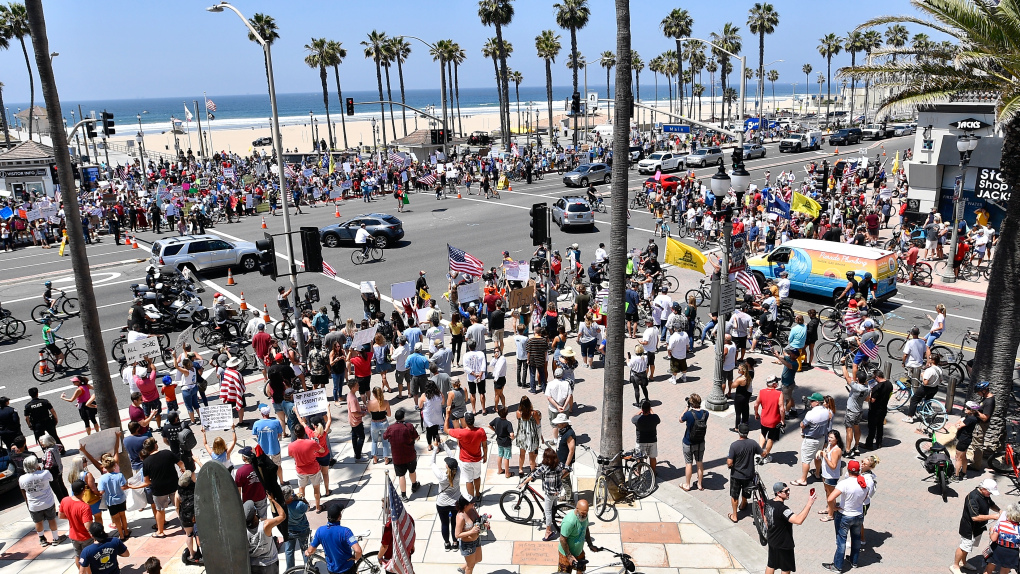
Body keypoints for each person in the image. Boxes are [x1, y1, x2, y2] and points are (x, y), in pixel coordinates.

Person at [822, 460, 873, 572]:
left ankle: (837, 566)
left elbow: (830, 498)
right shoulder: (863, 482)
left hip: (845, 515)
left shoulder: (844, 483)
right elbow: (865, 498)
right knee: (856, 539)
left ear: (848, 470)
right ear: (858, 470)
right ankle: (854, 561)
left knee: (841, 541)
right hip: (858, 515)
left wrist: (834, 507)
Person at [765, 482, 817, 574]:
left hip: (772, 540)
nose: (788, 492)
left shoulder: (768, 503)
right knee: (785, 568)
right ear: (778, 493)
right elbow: (798, 520)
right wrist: (809, 503)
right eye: (786, 491)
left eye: (789, 490)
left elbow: (765, 520)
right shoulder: (783, 509)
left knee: (771, 564)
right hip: (783, 544)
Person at [953, 478, 1000, 574]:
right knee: (964, 547)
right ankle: (955, 565)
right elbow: (975, 517)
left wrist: (1000, 511)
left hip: (979, 527)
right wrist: (993, 516)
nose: (990, 494)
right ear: (983, 488)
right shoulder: (973, 497)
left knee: (968, 547)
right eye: (989, 492)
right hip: (969, 528)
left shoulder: (985, 495)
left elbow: (991, 504)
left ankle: (964, 562)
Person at [521, 447, 569, 541]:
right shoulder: (559, 464)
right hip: (557, 491)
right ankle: (554, 520)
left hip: (549, 493)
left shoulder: (544, 467)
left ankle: (548, 532)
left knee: (548, 513)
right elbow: (569, 468)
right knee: (553, 508)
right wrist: (561, 477)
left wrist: (523, 483)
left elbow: (533, 475)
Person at [19, 456, 65, 547]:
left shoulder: (22, 478)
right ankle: (55, 538)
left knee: (38, 522)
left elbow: (23, 491)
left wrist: (28, 503)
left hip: (33, 505)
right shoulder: (45, 473)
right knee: (51, 520)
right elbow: (51, 479)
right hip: (48, 502)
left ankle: (42, 539)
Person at [726, 423, 763, 523]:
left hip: (736, 475)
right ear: (747, 433)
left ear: (739, 432)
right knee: (746, 491)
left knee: (734, 495)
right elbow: (762, 453)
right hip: (749, 474)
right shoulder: (753, 443)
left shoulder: (734, 445)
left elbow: (729, 462)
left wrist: (729, 465)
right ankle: (743, 503)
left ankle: (734, 515)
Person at [792, 393, 830, 487]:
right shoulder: (826, 411)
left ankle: (803, 479)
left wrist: (802, 425)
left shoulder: (811, 413)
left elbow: (803, 424)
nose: (810, 402)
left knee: (806, 459)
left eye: (812, 401)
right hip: (821, 438)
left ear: (817, 402)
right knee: (817, 457)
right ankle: (817, 474)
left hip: (810, 440)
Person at [449, 413, 488, 502]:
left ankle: (471, 499)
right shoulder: (481, 431)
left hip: (465, 461)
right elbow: (484, 445)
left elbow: (446, 429)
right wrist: (485, 455)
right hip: (477, 459)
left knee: (468, 480)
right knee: (477, 477)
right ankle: (478, 494)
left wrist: (447, 415)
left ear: (465, 421)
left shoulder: (460, 432)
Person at [384, 408, 421, 501]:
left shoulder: (391, 428)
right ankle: (414, 485)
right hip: (410, 455)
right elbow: (417, 437)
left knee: (401, 476)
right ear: (403, 417)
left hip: (397, 457)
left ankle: (404, 495)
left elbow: (384, 436)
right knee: (412, 471)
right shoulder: (409, 426)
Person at [432, 441, 463, 551]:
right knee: (454, 523)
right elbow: (452, 457)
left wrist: (436, 449)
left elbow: (432, 463)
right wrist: (444, 445)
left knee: (444, 523)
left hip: (442, 504)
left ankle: (446, 543)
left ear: (447, 467)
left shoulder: (441, 476)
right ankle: (455, 543)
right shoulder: (458, 472)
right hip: (455, 503)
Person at [288, 425, 325, 512]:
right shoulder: (311, 443)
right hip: (313, 469)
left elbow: (290, 455)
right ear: (304, 433)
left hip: (300, 470)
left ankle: (303, 508)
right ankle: (318, 507)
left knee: (301, 489)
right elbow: (322, 450)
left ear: (295, 433)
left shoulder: (291, 445)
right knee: (316, 488)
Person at [246, 497, 286, 574]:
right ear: (255, 513)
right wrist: (273, 501)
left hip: (253, 564)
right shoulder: (266, 525)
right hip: (269, 563)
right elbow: (282, 516)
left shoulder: (243, 530)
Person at [558, 499, 599, 573]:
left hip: (579, 551)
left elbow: (586, 529)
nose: (584, 515)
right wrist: (569, 556)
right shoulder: (569, 522)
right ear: (577, 509)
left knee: (581, 571)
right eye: (582, 513)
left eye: (586, 513)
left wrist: (590, 545)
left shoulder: (584, 516)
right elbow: (562, 539)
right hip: (566, 554)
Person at [60, 479, 95, 557]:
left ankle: (80, 569)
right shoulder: (85, 507)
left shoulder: (65, 500)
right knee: (88, 558)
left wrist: (72, 518)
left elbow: (61, 516)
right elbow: (87, 526)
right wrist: (95, 536)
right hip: (85, 537)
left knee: (78, 556)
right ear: (84, 490)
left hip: (73, 535)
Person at [24, 387, 63, 452]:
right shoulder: (44, 401)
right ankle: (61, 450)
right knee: (54, 436)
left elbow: (26, 417)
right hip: (48, 421)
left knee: (41, 439)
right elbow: (53, 411)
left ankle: (46, 452)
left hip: (37, 424)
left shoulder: (28, 406)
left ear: (30, 395)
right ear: (37, 394)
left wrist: (29, 425)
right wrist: (55, 419)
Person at [282, 485, 311, 570]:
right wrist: (302, 498)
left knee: (289, 551)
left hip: (289, 531)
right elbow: (308, 507)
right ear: (290, 496)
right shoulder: (300, 504)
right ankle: (308, 569)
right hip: (302, 530)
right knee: (305, 549)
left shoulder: (281, 506)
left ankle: (290, 570)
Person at [986, 503, 1020, 574]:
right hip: (1012, 553)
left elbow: (993, 539)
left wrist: (991, 531)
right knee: (1004, 572)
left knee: (989, 569)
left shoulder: (1001, 524)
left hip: (997, 549)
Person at [819, 430, 845, 522]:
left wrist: (825, 457)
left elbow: (833, 466)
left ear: (837, 439)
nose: (829, 439)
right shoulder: (830, 445)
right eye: (829, 437)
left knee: (831, 496)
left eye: (831, 438)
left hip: (831, 476)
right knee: (827, 492)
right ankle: (829, 509)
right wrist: (821, 453)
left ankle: (831, 515)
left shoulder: (836, 450)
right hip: (825, 474)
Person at [864, 368, 892, 450]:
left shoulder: (877, 387)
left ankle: (869, 444)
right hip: (883, 409)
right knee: (880, 426)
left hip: (875, 410)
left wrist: (869, 394)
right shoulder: (889, 384)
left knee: (872, 428)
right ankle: (879, 443)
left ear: (877, 377)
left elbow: (872, 400)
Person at [970, 380, 995, 469]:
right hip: (979, 424)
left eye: (979, 392)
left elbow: (985, 417)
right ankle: (976, 461)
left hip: (981, 425)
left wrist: (975, 412)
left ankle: (976, 465)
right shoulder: (986, 399)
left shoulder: (989, 402)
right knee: (976, 443)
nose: (978, 394)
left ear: (984, 391)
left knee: (977, 445)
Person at [455, 496, 484, 574]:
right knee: (470, 566)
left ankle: (462, 568)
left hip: (476, 539)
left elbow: (478, 518)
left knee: (478, 559)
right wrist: (471, 532)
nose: (473, 503)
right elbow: (457, 535)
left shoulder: (472, 509)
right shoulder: (460, 517)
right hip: (468, 545)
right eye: (471, 503)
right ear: (465, 505)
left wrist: (484, 523)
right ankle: (466, 568)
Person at [516, 395, 543, 474]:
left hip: (522, 435)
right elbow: (538, 424)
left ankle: (520, 469)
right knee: (531, 454)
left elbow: (519, 421)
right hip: (531, 436)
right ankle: (532, 471)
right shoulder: (534, 413)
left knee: (522, 454)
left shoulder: (518, 413)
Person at [632, 400, 660, 475]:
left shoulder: (637, 419)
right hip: (652, 440)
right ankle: (653, 472)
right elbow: (657, 417)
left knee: (640, 457)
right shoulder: (654, 418)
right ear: (649, 409)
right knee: (652, 457)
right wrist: (651, 411)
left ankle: (638, 471)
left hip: (641, 441)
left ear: (642, 409)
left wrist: (639, 412)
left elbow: (633, 418)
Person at [367, 386, 392, 465]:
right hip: (384, 422)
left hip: (374, 423)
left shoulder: (370, 403)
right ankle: (386, 459)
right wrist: (383, 412)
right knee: (385, 441)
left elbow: (369, 412)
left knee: (374, 441)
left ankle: (375, 458)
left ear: (373, 394)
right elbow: (389, 414)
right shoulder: (386, 402)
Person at [489, 406, 515, 478]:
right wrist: (512, 438)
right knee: (506, 457)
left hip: (499, 441)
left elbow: (489, 425)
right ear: (507, 413)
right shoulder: (508, 423)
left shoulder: (496, 420)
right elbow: (511, 434)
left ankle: (499, 469)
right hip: (506, 442)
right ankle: (507, 473)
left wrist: (495, 431)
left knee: (500, 455)